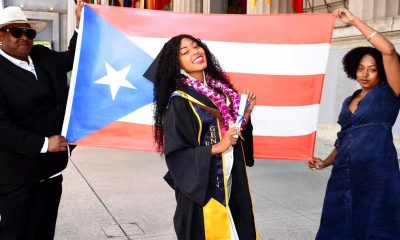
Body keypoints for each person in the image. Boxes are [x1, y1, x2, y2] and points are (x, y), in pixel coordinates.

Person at [151, 34, 258, 239]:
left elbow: (231, 132)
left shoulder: (220, 91)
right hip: (203, 189)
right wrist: (218, 147)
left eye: (196, 46)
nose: (195, 52)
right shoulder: (180, 100)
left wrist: (244, 115)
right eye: (185, 52)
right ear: (177, 63)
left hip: (230, 180)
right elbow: (177, 154)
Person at [309, 8, 400, 240]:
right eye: (360, 69)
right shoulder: (350, 100)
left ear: (381, 72)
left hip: (377, 173)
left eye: (372, 69)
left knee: (376, 224)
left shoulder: (390, 93)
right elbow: (344, 140)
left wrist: (353, 21)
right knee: (338, 224)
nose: (365, 74)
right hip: (345, 174)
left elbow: (389, 50)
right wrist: (325, 163)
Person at [0, 2, 84, 240]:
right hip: (17, 172)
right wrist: (45, 144)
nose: (24, 38)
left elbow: (72, 59)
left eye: (29, 33)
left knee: (45, 229)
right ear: (1, 35)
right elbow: (1, 127)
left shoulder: (41, 55)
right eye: (16, 32)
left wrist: (79, 25)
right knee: (16, 232)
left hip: (52, 169)